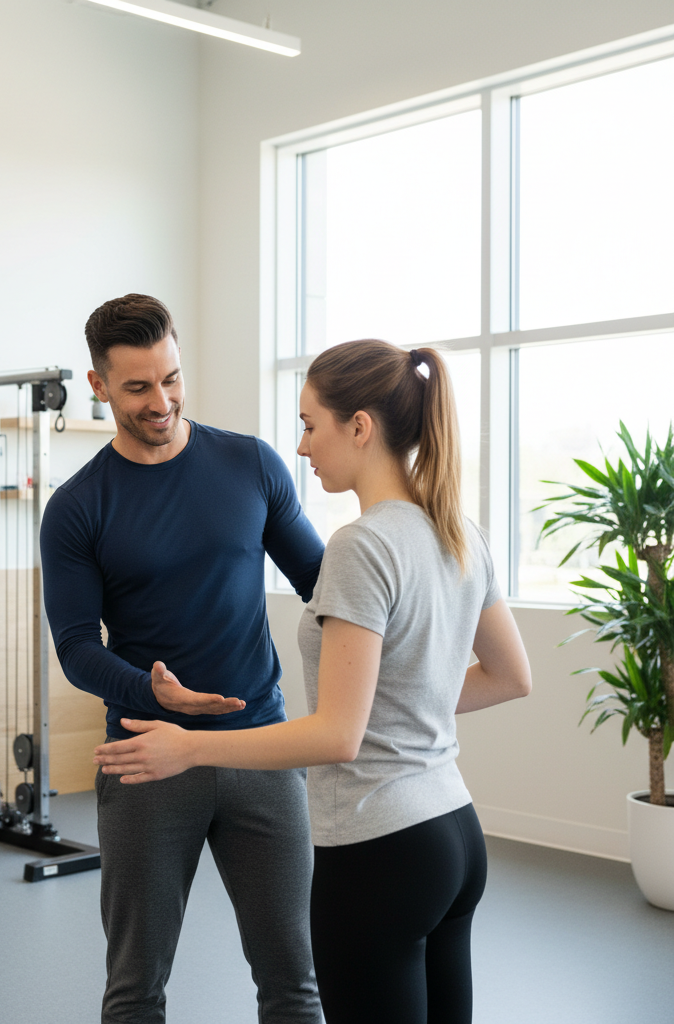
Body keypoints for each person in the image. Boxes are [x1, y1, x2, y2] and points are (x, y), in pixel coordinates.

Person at [93, 339, 533, 1024]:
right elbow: (512, 676)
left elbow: (337, 735)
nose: (300, 447)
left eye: (309, 424)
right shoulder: (459, 529)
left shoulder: (362, 546)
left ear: (359, 427)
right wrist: (400, 705)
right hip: (455, 834)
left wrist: (191, 746)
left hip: (380, 848)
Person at [40, 294, 326, 1024]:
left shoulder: (252, 464)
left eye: (171, 377)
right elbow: (75, 648)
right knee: (135, 989)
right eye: (138, 387)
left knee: (294, 982)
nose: (161, 400)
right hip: (148, 755)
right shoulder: (77, 508)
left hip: (260, 745)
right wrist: (151, 692)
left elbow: (324, 585)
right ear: (99, 384)